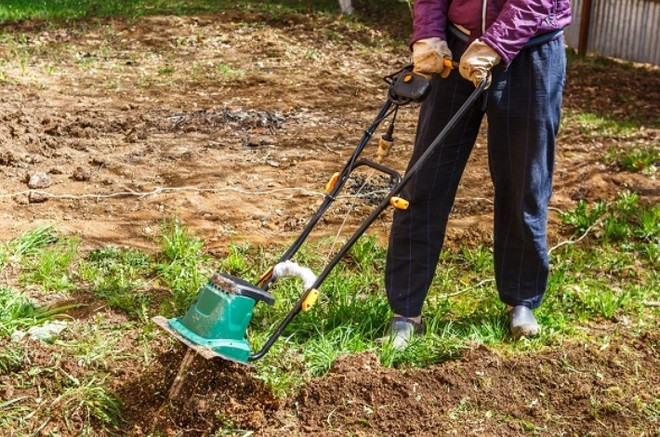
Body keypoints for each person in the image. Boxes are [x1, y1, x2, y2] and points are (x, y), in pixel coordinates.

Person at [385, 0, 572, 348]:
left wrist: (496, 44)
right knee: (425, 179)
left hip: (531, 53)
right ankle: (406, 309)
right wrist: (428, 34)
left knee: (524, 182)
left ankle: (522, 300)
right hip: (457, 49)